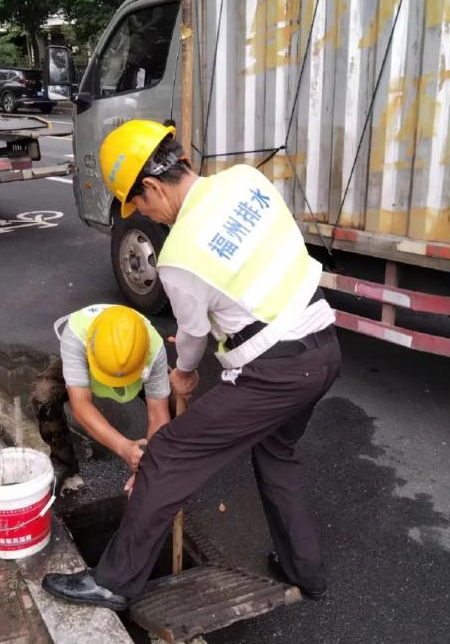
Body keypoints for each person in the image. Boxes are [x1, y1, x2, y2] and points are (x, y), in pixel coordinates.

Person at [42, 121, 341, 611]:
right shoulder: (247, 179)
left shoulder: (179, 256)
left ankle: (114, 581)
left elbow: (194, 338)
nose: (145, 214)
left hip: (276, 371)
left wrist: (184, 371)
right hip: (324, 349)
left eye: (139, 203)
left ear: (154, 187)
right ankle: (305, 573)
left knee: (168, 455)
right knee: (276, 454)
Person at [33, 303, 170, 501]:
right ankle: (63, 462)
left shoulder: (153, 347)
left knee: (171, 400)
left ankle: (163, 464)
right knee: (43, 395)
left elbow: (158, 414)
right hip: (91, 362)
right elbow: (80, 405)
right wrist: (124, 447)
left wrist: (145, 469)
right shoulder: (76, 335)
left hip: (138, 369)